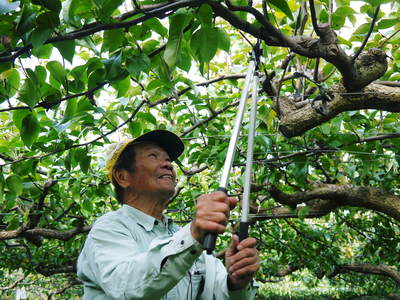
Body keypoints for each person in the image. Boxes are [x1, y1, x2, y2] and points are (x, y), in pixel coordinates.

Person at [77, 129, 260, 299]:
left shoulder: (184, 239)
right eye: (153, 156)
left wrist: (236, 283)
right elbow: (127, 286)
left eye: (168, 160)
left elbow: (216, 292)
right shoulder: (109, 229)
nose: (167, 165)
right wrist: (194, 233)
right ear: (123, 177)